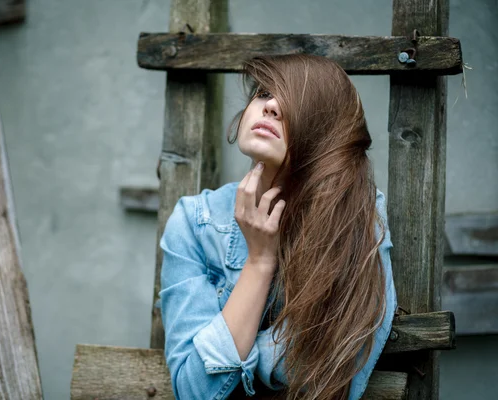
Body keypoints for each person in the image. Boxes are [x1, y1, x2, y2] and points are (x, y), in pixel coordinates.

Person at [158, 53, 397, 400]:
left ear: (326, 130)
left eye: (294, 103)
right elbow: (194, 390)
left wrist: (241, 354)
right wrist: (259, 261)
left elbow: (332, 358)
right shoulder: (195, 222)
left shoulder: (356, 215)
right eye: (264, 93)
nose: (270, 107)